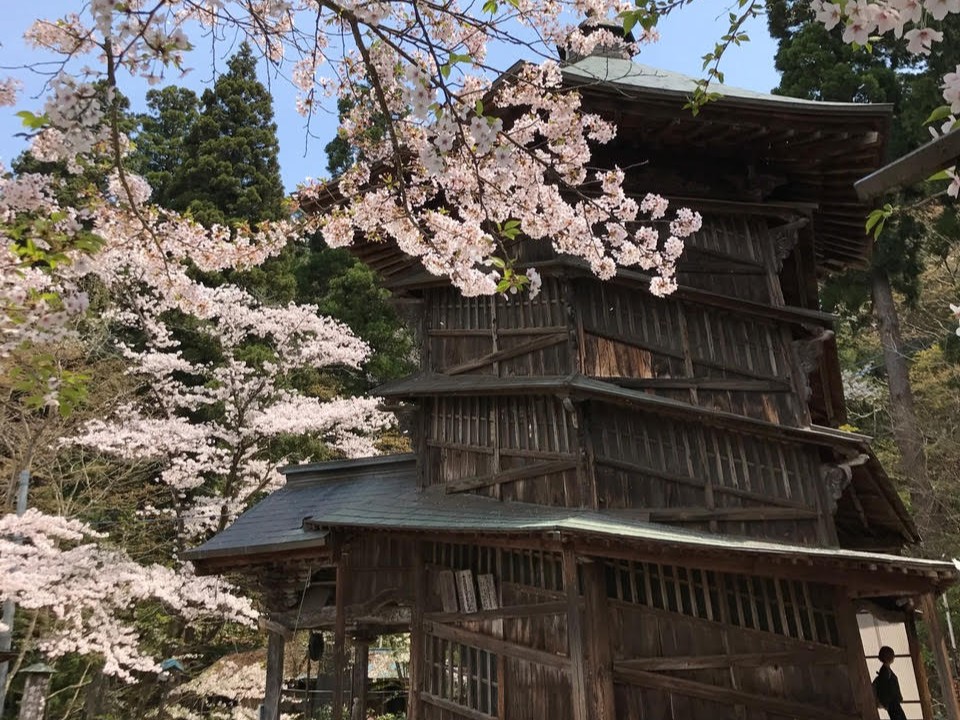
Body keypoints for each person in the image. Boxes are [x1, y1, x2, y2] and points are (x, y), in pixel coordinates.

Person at [873, 646, 907, 720]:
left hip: (892, 702)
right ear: (889, 657)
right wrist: (886, 703)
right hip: (892, 703)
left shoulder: (885, 670)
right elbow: (883, 688)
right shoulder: (885, 671)